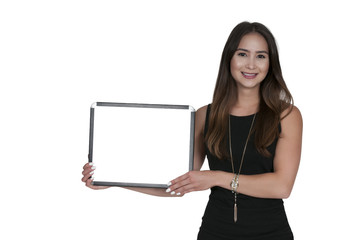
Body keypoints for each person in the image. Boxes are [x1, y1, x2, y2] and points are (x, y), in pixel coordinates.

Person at [82, 21, 302, 240]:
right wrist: (111, 180)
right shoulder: (206, 115)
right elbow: (178, 183)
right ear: (229, 59)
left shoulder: (286, 115)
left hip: (271, 233)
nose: (251, 65)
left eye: (261, 56)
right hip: (215, 232)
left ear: (271, 63)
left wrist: (216, 177)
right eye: (243, 54)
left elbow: (282, 186)